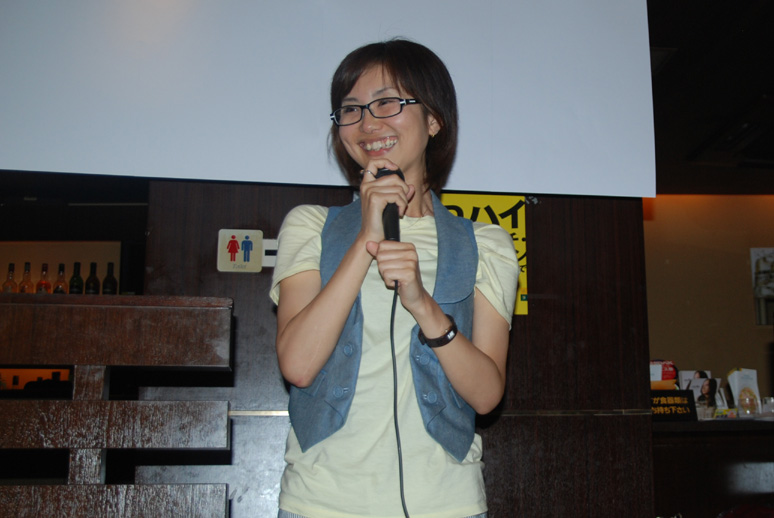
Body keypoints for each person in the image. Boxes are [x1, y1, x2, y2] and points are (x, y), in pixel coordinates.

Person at [270, 38, 519, 518]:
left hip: (447, 504)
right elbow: (298, 365)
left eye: (387, 103)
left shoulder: (484, 244)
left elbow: (488, 394)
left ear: (433, 119)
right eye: (351, 109)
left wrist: (424, 305)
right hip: (319, 503)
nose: (368, 124)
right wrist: (365, 236)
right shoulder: (311, 226)